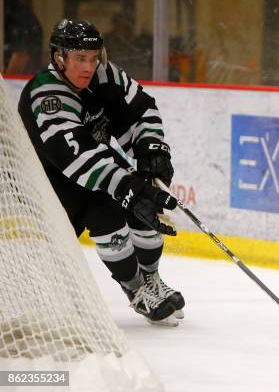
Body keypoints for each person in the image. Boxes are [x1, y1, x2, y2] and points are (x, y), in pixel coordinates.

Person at [18, 19, 185, 326]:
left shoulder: (105, 76)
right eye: (80, 58)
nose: (89, 66)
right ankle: (135, 289)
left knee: (143, 202)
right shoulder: (47, 93)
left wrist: (150, 148)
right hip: (52, 181)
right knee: (107, 212)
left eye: (94, 57)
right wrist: (124, 186)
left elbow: (141, 108)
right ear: (59, 57)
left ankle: (151, 282)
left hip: (95, 163)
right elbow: (74, 155)